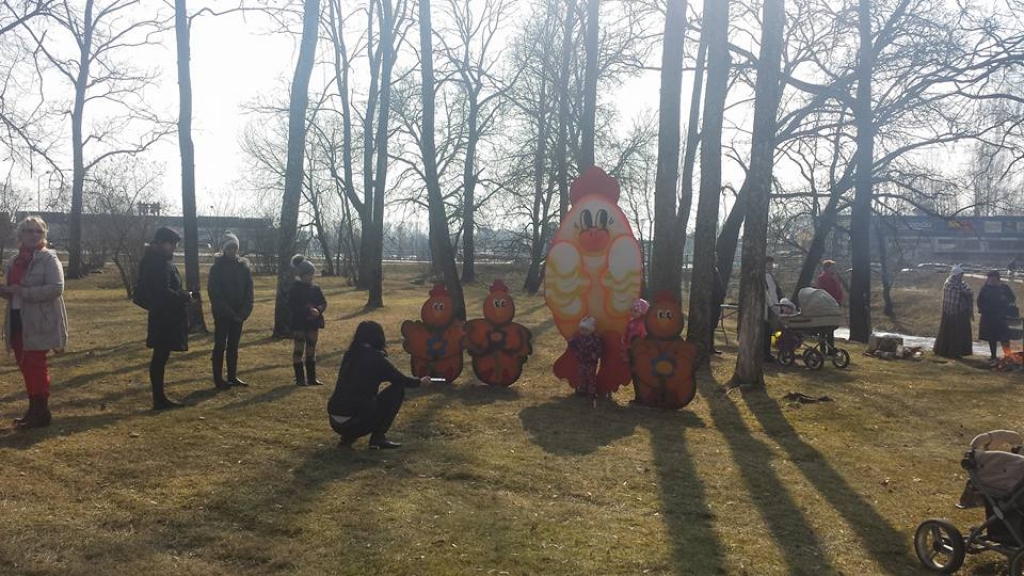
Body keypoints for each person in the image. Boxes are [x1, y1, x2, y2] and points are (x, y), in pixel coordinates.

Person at [1, 216, 67, 429]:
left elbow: (57, 288)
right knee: (25, 364)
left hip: (39, 320)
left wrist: (24, 292)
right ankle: (33, 410)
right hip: (17, 318)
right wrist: (6, 292)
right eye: (29, 231)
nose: (34, 235)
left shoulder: (48, 258)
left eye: (38, 232)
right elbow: (13, 289)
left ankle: (41, 413)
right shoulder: (14, 261)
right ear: (20, 235)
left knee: (35, 364)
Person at [328, 321, 432, 449]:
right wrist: (420, 382)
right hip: (357, 423)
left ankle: (346, 438)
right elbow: (400, 379)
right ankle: (378, 437)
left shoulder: (349, 355)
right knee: (397, 390)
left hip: (335, 421)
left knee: (356, 396)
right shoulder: (376, 358)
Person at [137, 226, 195, 410]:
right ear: (162, 243)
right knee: (160, 357)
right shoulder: (158, 263)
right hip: (164, 317)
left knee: (161, 356)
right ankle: (159, 398)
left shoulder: (159, 260)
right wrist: (185, 295)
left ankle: (160, 397)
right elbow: (163, 293)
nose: (174, 247)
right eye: (172, 244)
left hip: (164, 315)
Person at [207, 232, 254, 389]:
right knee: (220, 345)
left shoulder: (244, 268)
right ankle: (218, 379)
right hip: (222, 315)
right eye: (229, 248)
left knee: (233, 346)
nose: (232, 251)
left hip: (239, 315)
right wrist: (230, 313)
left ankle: (232, 376)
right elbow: (215, 294)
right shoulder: (216, 268)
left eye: (234, 247)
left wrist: (243, 313)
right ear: (224, 249)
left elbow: (249, 292)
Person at [288, 254, 327, 386]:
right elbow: (292, 306)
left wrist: (319, 310)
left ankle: (312, 378)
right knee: (299, 349)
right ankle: (299, 378)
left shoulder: (315, 289)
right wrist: (306, 310)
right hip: (299, 323)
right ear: (302, 275)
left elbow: (323, 302)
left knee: (311, 348)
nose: (311, 277)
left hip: (313, 323)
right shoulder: (295, 289)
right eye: (308, 275)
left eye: (312, 274)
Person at [934, 264, 974, 359]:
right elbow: (957, 293)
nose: (961, 276)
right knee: (950, 333)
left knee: (960, 333)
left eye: (962, 274)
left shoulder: (961, 283)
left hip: (961, 312)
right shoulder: (949, 283)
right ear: (955, 275)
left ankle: (959, 351)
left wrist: (965, 294)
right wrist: (964, 293)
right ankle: (947, 351)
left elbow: (969, 291)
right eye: (960, 274)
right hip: (950, 312)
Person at [977, 270, 1016, 364]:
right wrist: (982, 309)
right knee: (991, 337)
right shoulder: (985, 288)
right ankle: (993, 356)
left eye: (993, 279)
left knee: (1004, 337)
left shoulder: (1004, 288)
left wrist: (1005, 300)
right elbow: (979, 300)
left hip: (1002, 317)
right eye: (989, 279)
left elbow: (1012, 298)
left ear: (998, 279)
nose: (991, 281)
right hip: (988, 316)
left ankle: (1008, 355)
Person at [569, 316, 602, 406]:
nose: (583, 332)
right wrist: (571, 342)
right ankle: (582, 389)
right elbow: (573, 346)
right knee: (581, 375)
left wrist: (595, 356)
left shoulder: (595, 339)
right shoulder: (579, 338)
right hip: (581, 360)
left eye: (585, 330)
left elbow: (599, 349)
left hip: (591, 362)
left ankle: (592, 391)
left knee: (591, 376)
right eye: (582, 329)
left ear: (591, 330)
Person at [622, 298, 649, 403]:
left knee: (639, 374)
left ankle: (642, 396)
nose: (633, 312)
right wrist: (625, 345)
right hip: (630, 351)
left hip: (639, 353)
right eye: (632, 310)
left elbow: (643, 337)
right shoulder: (631, 322)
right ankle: (638, 396)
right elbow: (627, 335)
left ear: (642, 312)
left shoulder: (642, 324)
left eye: (635, 311)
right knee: (634, 373)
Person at [814, 259, 843, 353]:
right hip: (826, 305)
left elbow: (839, 290)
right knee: (823, 328)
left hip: (834, 304)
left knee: (831, 327)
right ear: (826, 268)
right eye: (832, 267)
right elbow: (821, 292)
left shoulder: (834, 277)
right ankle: (823, 349)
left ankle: (830, 348)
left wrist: (839, 301)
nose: (834, 269)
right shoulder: (822, 278)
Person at [764, 256, 784, 361]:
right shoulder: (765, 276)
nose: (771, 266)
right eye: (769, 264)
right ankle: (765, 354)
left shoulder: (770, 276)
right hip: (769, 307)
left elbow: (775, 292)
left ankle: (767, 353)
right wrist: (772, 305)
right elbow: (768, 293)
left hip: (773, 306)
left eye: (771, 264)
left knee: (769, 331)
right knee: (767, 331)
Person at [709, 266, 727, 355]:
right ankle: (709, 346)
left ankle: (711, 346)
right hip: (712, 302)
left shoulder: (715, 270)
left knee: (712, 326)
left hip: (716, 302)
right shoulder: (710, 272)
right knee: (710, 325)